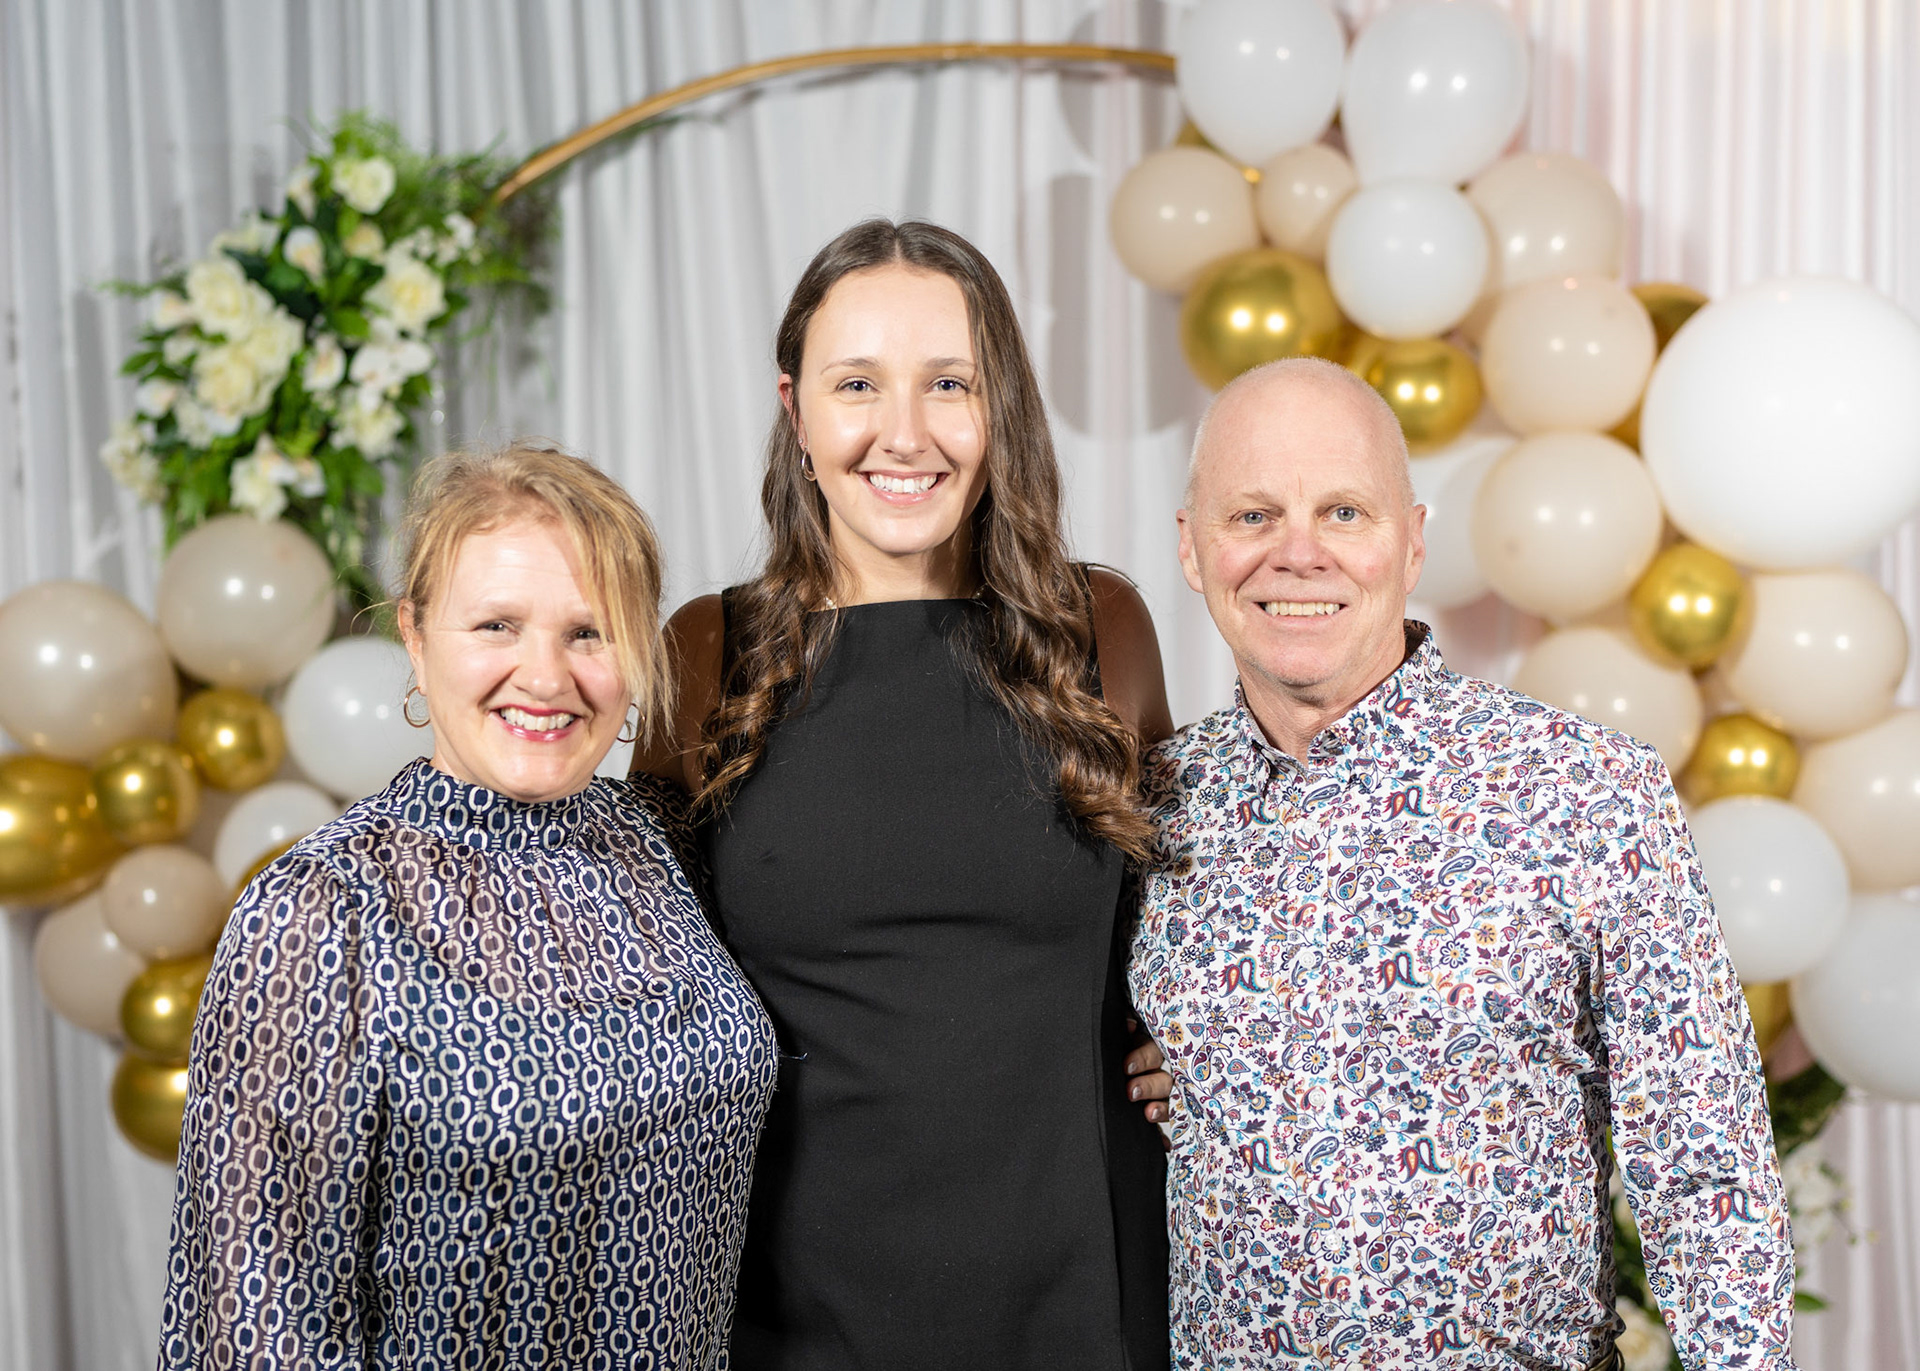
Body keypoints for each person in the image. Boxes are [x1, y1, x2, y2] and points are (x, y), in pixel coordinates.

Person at [1130, 357, 1796, 1370]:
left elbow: (1708, 1175)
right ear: (1191, 544)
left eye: (1343, 512)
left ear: (1412, 542)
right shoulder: (1146, 806)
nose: (1297, 554)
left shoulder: (1587, 790)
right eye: (1253, 515)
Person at [636, 219, 1175, 1370]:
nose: (906, 433)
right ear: (795, 410)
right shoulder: (705, 651)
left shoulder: (1101, 629)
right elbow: (642, 984)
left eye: (948, 383)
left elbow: (1188, 921)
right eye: (857, 385)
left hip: (1078, 1297)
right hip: (792, 1313)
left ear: (1001, 406)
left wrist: (1212, 1042)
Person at [159, 443, 777, 1369]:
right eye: (496, 625)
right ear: (414, 636)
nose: (546, 677)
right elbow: (257, 1322)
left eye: (590, 631)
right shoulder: (320, 912)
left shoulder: (660, 837)